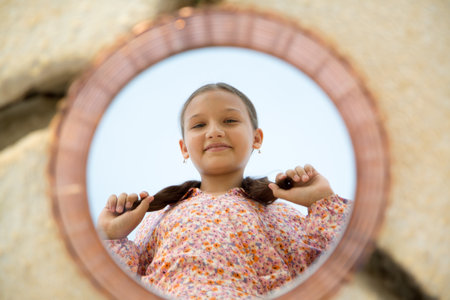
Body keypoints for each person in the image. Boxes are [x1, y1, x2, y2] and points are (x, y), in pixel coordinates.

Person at [97, 82, 351, 299]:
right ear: (184, 148)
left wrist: (322, 201)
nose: (214, 131)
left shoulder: (284, 217)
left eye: (229, 120)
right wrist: (111, 238)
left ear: (256, 138)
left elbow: (341, 275)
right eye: (198, 125)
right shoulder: (157, 220)